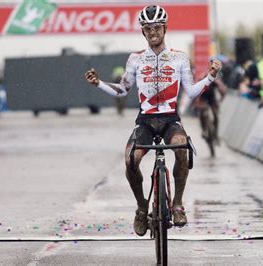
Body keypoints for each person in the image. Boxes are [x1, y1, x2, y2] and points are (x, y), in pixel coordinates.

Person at [84, 5, 222, 236]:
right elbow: (122, 90)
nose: (152, 32)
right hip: (146, 121)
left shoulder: (179, 57)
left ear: (165, 28)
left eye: (156, 27)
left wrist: (210, 76)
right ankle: (141, 208)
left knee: (181, 148)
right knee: (130, 160)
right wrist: (99, 83)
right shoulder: (135, 59)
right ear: (143, 32)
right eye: (147, 29)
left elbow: (191, 91)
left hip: (169, 119)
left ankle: (177, 203)